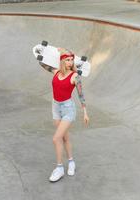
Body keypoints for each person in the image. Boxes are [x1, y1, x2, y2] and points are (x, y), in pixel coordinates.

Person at [38, 48, 89, 182]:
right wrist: (46, 52)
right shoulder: (56, 72)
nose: (70, 62)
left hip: (68, 109)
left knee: (56, 138)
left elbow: (81, 95)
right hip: (55, 107)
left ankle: (59, 168)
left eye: (72, 60)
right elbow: (42, 63)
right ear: (62, 61)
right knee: (64, 138)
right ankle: (71, 162)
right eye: (67, 60)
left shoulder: (75, 76)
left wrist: (85, 112)